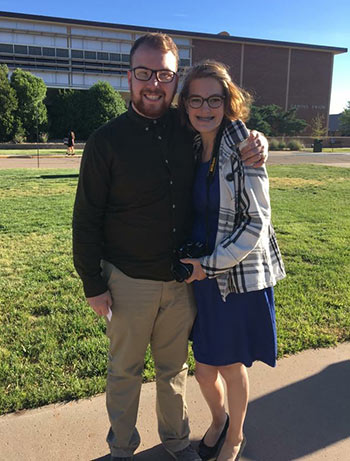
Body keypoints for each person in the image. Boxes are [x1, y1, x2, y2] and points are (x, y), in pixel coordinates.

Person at [72, 34, 268, 461]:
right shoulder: (106, 140)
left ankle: (178, 442)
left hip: (183, 280)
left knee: (173, 372)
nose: (154, 83)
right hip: (128, 281)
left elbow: (227, 125)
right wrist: (92, 281)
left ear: (174, 79)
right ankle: (122, 448)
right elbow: (86, 216)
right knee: (124, 372)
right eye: (144, 73)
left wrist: (258, 140)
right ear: (129, 77)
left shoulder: (189, 128)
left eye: (164, 74)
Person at [177, 61, 286, 461]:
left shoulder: (242, 145)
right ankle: (219, 419)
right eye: (196, 99)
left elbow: (258, 221)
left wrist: (211, 264)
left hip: (232, 275)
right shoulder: (188, 142)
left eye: (214, 99)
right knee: (205, 368)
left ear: (228, 102)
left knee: (230, 365)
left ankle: (235, 436)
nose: (205, 108)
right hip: (199, 272)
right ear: (185, 104)